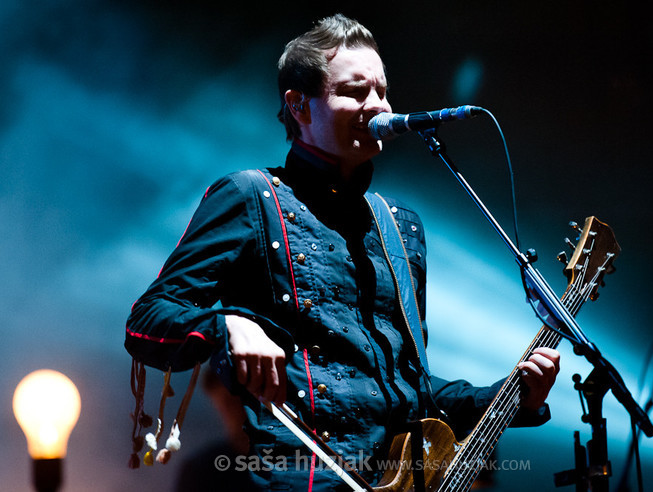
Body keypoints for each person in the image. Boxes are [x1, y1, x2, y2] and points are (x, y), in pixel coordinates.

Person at [125, 13, 559, 490]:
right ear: (299, 106)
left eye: (382, 91)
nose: (378, 106)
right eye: (355, 91)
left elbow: (412, 389)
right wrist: (227, 324)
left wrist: (514, 395)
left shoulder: (401, 226)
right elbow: (147, 318)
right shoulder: (250, 196)